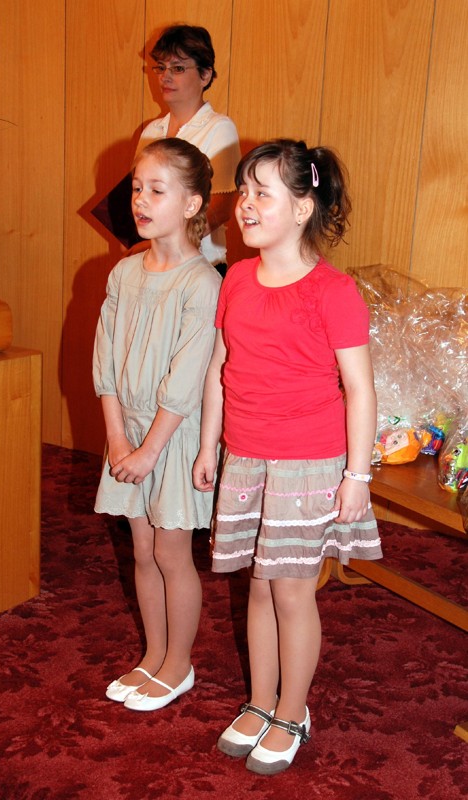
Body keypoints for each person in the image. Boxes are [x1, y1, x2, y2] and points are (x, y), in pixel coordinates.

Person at [193, 139, 382, 773]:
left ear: (302, 209)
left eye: (262, 193)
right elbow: (220, 368)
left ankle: (292, 710)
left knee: (294, 593)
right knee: (258, 584)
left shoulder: (333, 290)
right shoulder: (237, 278)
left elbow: (359, 389)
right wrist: (208, 445)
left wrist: (357, 475)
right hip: (247, 458)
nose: (245, 204)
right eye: (243, 191)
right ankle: (260, 700)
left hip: (307, 463)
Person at [93, 138, 222, 711]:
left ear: (191, 204)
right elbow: (105, 363)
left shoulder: (203, 283)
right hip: (128, 435)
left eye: (157, 190)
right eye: (137, 188)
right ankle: (152, 655)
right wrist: (118, 438)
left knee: (171, 554)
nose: (140, 200)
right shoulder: (124, 273)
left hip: (171, 438)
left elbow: (189, 379)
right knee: (141, 552)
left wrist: (148, 449)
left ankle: (178, 664)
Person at [137, 24, 241, 274]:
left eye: (178, 68)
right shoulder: (150, 132)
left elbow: (222, 207)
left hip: (201, 266)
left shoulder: (220, 127)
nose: (165, 76)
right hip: (152, 262)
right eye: (161, 67)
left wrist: (165, 245)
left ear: (205, 75)